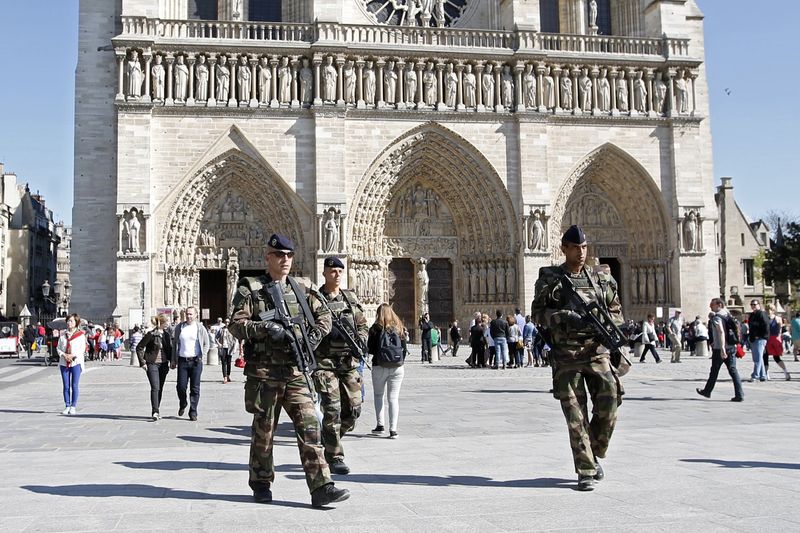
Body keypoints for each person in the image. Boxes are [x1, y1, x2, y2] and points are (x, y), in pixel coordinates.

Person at [229, 233, 349, 507]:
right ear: (268, 258)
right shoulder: (251, 288)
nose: (285, 260)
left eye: (289, 255)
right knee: (264, 432)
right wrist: (265, 328)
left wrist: (315, 336)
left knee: (310, 428)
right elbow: (236, 325)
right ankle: (261, 482)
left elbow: (324, 316)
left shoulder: (302, 289)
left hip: (296, 371)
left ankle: (321, 486)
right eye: (279, 255)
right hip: (264, 374)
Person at [532, 225, 624, 491]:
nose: (581, 253)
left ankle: (594, 453)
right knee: (575, 415)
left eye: (584, 247)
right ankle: (585, 469)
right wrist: (560, 317)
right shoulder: (550, 278)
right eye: (575, 247)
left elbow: (615, 311)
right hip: (566, 356)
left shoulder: (602, 278)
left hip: (598, 352)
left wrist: (612, 327)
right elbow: (537, 314)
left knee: (610, 405)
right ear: (564, 248)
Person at [314, 256, 369, 476]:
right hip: (325, 363)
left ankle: (329, 439)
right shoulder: (315, 300)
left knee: (353, 410)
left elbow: (362, 324)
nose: (337, 275)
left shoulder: (350, 298)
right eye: (333, 271)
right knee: (332, 410)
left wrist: (361, 341)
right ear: (325, 272)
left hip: (348, 363)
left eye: (340, 271)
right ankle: (335, 455)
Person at [367, 303, 408, 439]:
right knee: (393, 398)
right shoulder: (399, 328)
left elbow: (371, 349)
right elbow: (404, 349)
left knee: (379, 395)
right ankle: (393, 429)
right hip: (397, 368)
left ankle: (380, 426)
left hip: (379, 366)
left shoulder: (374, 329)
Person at [696, 298, 744, 402]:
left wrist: (722, 348)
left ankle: (707, 391)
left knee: (714, 371)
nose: (710, 307)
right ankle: (739, 394)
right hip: (731, 347)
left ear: (719, 305)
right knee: (733, 370)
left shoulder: (717, 317)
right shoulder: (727, 314)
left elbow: (721, 332)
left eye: (712, 305)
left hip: (720, 349)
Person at [171, 306, 210, 421]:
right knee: (181, 387)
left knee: (195, 388)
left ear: (196, 315)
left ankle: (193, 411)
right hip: (183, 360)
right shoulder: (180, 327)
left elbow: (207, 343)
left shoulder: (200, 328)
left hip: (196, 361)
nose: (189, 316)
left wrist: (202, 356)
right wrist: (173, 359)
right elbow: (175, 344)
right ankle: (183, 403)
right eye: (187, 314)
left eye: (191, 314)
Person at [136, 315, 172, 420]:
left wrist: (172, 361)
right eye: (167, 321)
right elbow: (139, 347)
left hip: (164, 364)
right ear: (161, 322)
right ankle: (155, 412)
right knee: (155, 387)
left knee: (160, 388)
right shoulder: (151, 335)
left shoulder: (166, 335)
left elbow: (169, 349)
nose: (169, 323)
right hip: (152, 363)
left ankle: (157, 409)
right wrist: (142, 362)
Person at [57, 314, 87, 415]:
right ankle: (67, 405)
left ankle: (73, 406)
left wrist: (73, 355)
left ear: (76, 323)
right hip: (64, 362)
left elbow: (82, 349)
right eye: (68, 321)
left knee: (74, 385)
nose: (69, 323)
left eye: (71, 321)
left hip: (76, 362)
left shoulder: (80, 335)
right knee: (66, 386)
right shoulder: (62, 336)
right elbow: (58, 348)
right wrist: (64, 355)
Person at [764, 303, 790, 381]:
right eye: (767, 309)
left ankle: (786, 372)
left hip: (775, 339)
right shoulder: (765, 318)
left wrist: (780, 339)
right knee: (765, 356)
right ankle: (766, 374)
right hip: (768, 339)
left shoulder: (778, 318)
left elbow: (780, 330)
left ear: (773, 310)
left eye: (770, 309)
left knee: (776, 357)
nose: (769, 311)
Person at [747, 299, 769, 382]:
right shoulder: (752, 315)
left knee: (757, 358)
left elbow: (766, 326)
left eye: (755, 304)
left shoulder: (762, 314)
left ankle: (755, 375)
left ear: (759, 305)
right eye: (751, 304)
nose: (753, 306)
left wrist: (761, 336)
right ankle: (763, 375)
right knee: (758, 357)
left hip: (760, 338)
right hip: (753, 338)